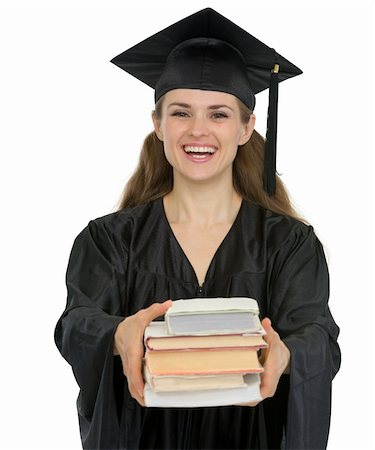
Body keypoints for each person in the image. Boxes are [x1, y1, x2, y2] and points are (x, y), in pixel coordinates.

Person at [54, 8, 340, 450]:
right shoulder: (110, 240)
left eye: (220, 115)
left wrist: (286, 354)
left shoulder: (288, 243)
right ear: (158, 124)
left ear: (247, 128)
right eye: (181, 112)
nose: (198, 130)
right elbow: (76, 323)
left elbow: (317, 334)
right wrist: (117, 334)